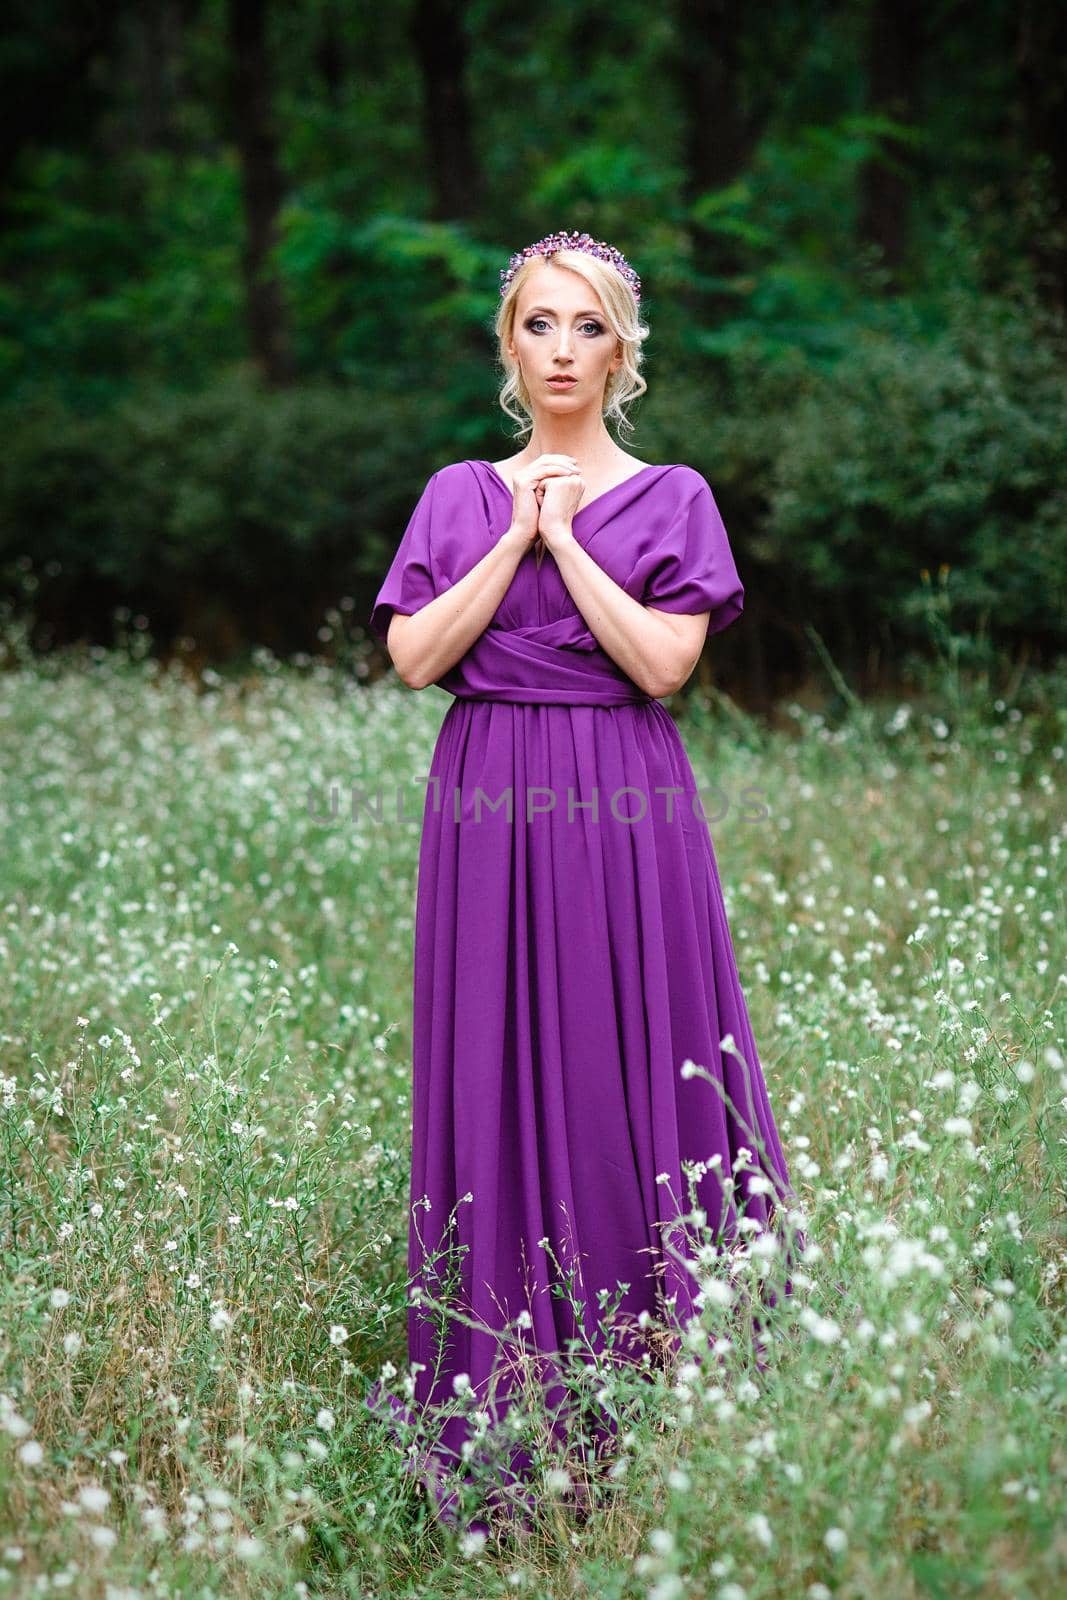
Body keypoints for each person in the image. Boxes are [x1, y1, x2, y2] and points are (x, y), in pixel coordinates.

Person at [364, 229, 805, 1534]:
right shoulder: (456, 494)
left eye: (590, 328)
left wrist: (574, 542)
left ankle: (664, 1382)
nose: (564, 351)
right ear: (509, 344)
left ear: (625, 353)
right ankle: (507, 1401)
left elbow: (665, 667)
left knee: (636, 1058)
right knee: (496, 1060)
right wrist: (512, 540)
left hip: (625, 801)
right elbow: (410, 656)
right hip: (488, 799)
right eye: (541, 325)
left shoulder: (673, 496)